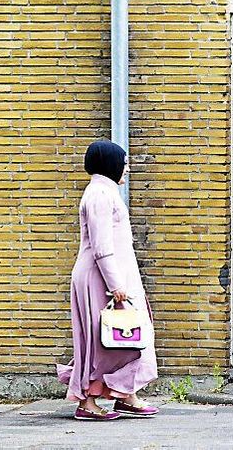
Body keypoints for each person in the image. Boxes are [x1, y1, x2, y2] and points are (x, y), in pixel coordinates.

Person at [57, 141, 159, 421]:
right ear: (110, 163)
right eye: (123, 161)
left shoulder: (105, 191)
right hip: (99, 278)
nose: (127, 167)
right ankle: (88, 403)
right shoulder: (100, 194)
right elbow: (102, 247)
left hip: (108, 275)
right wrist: (116, 285)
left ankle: (127, 395)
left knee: (126, 338)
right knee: (101, 341)